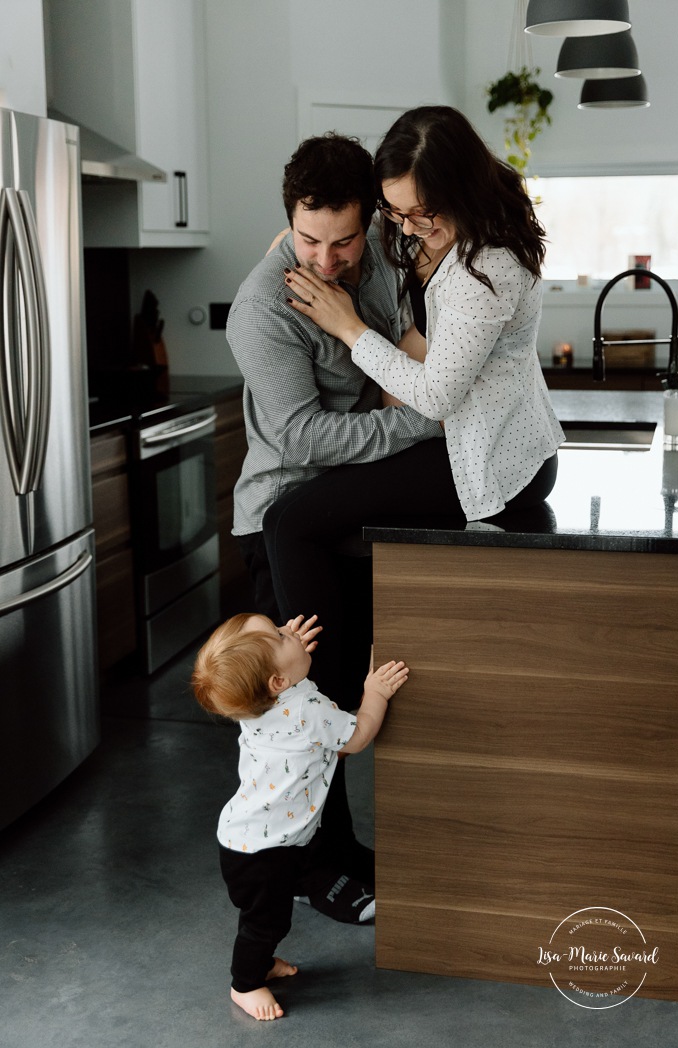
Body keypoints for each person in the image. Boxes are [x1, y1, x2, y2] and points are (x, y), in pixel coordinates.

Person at [266, 104, 564, 676]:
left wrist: (348, 326)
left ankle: (321, 707)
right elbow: (427, 335)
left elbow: (436, 397)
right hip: (478, 442)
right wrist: (293, 243)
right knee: (310, 513)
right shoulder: (453, 230)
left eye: (417, 213)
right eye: (393, 211)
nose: (404, 227)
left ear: (456, 188)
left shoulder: (491, 267)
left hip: (494, 463)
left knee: (288, 521)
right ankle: (342, 692)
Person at [226, 132, 442, 908]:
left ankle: (339, 847)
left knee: (343, 692)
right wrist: (430, 418)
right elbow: (304, 438)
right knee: (298, 711)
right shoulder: (262, 308)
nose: (324, 260)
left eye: (342, 240)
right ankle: (314, 873)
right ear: (288, 220)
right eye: (308, 239)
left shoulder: (380, 253)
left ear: (369, 221)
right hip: (282, 515)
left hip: (347, 509)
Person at [191, 612, 408, 1022]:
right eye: (280, 633)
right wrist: (374, 692)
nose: (291, 629)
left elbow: (277, 683)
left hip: (247, 840)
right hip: (265, 852)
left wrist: (284, 653)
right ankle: (245, 983)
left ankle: (262, 962)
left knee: (266, 917)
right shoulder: (307, 709)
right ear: (278, 682)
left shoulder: (254, 699)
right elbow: (357, 736)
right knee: (264, 923)